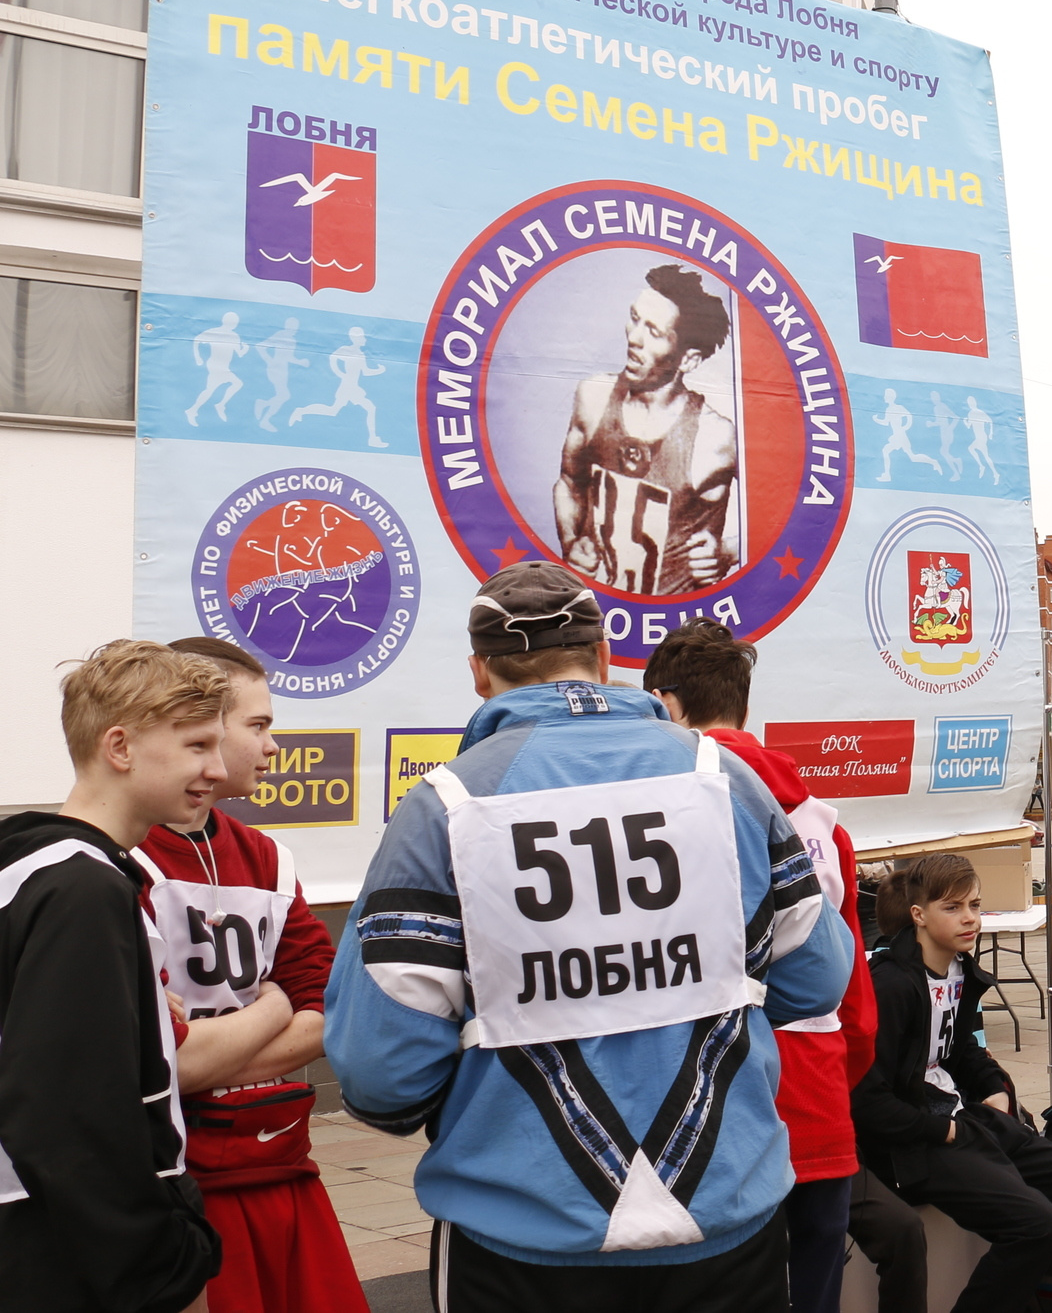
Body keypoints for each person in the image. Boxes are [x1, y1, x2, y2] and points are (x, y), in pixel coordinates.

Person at [325, 561, 854, 1309]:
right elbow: (816, 980)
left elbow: (382, 1074)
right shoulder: (725, 780)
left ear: (479, 673)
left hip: (523, 1239)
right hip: (726, 1228)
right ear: (607, 660)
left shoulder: (442, 807)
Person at [641, 619, 913, 1313]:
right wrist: (838, 1070)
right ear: (743, 702)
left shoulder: (648, 810)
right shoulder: (822, 821)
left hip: (703, 1092)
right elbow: (853, 991)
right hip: (818, 1085)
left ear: (667, 703)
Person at [0, 641, 229, 1312]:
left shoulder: (34, 868)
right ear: (120, 747)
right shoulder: (82, 889)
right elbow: (68, 1113)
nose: (216, 769)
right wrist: (163, 1260)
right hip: (61, 1256)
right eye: (195, 745)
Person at [144, 637, 366, 1313]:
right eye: (259, 724)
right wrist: (271, 1010)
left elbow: (333, 1009)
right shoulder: (118, 860)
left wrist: (211, 1054)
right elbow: (155, 1063)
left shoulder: (267, 856)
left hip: (276, 1161)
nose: (272, 746)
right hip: (176, 1181)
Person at [860, 852, 1052, 1313]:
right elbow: (868, 1099)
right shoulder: (890, 986)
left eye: (974, 905)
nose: (970, 918)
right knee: (1035, 1223)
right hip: (919, 1143)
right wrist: (945, 1130)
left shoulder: (958, 971)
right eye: (953, 908)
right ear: (917, 915)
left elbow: (958, 1051)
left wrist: (996, 1085)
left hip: (968, 1121)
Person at [555, 263, 740, 593]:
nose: (634, 338)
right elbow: (569, 483)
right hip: (597, 621)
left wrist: (729, 550)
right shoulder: (593, 398)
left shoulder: (716, 437)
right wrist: (570, 540)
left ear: (688, 360)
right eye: (635, 318)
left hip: (676, 634)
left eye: (654, 332)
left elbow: (795, 514)